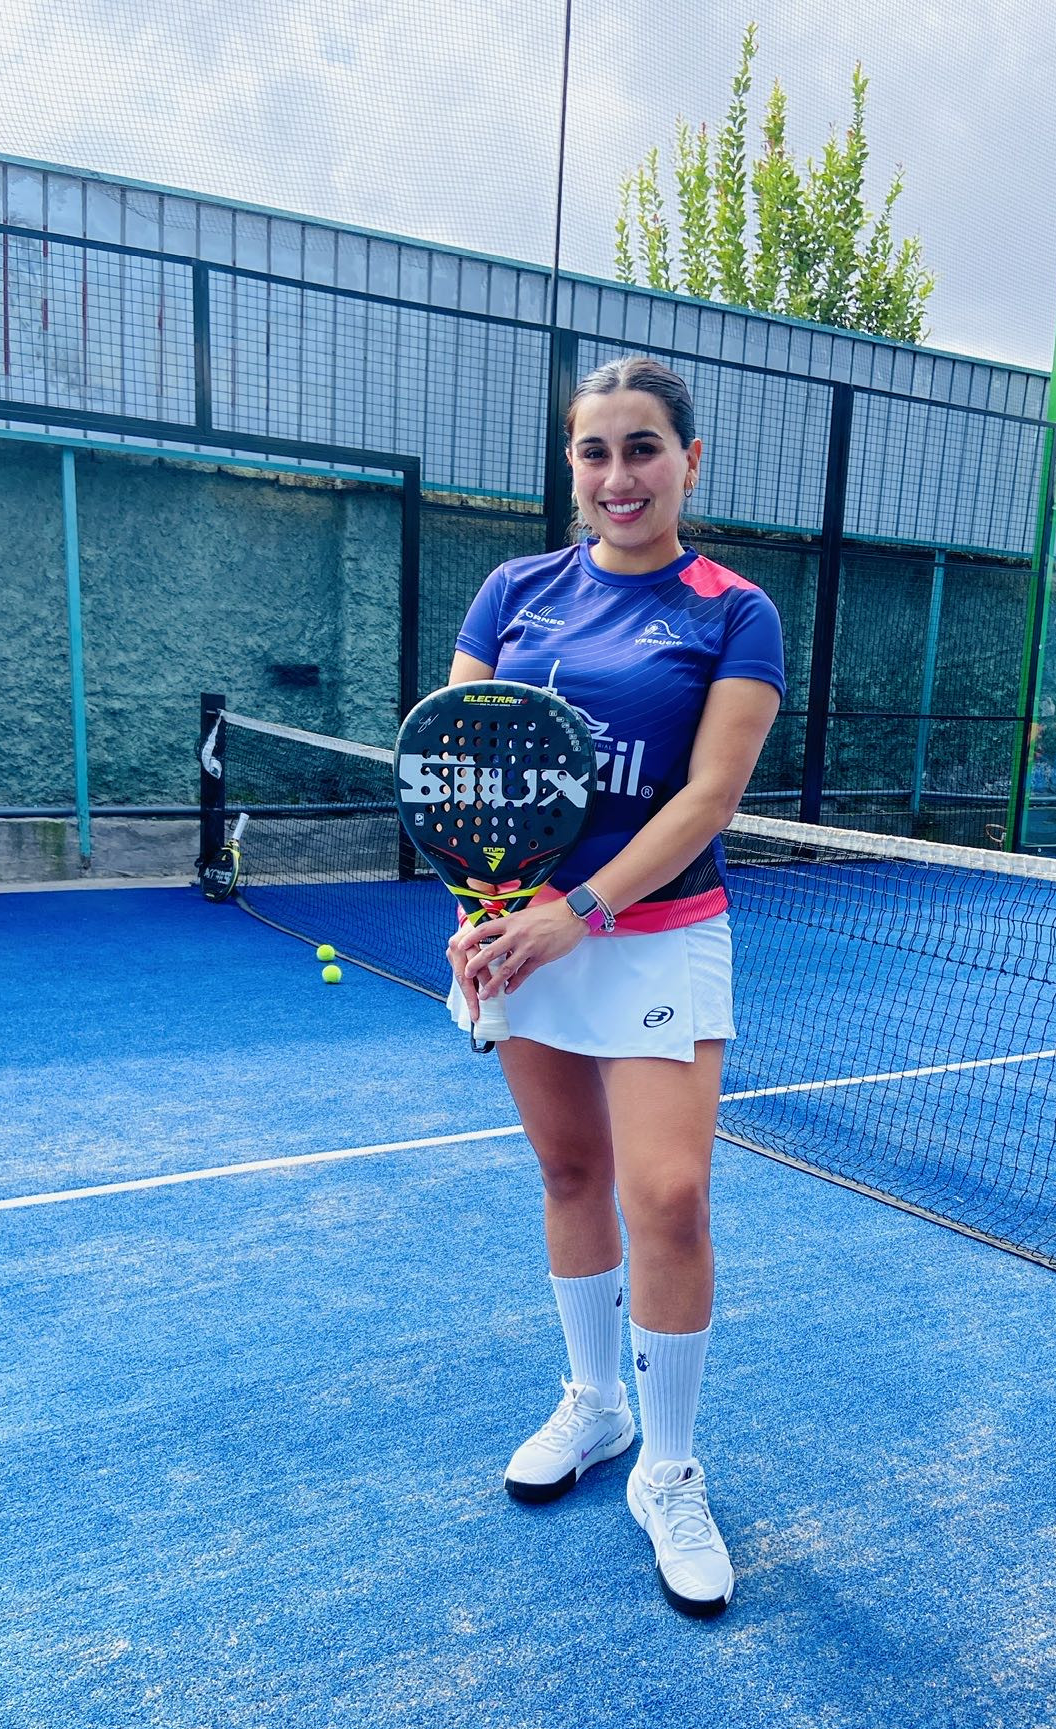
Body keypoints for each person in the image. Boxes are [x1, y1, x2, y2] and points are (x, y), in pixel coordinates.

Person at [445, 355, 784, 1619]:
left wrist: (577, 913)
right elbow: (463, 777)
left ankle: (669, 1467)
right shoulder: (513, 592)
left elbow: (709, 797)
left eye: (644, 448)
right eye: (595, 450)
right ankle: (594, 1403)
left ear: (688, 461)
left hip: (652, 934)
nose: (618, 474)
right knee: (570, 1173)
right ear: (572, 466)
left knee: (671, 1197)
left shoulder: (734, 612)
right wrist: (480, 912)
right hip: (523, 929)